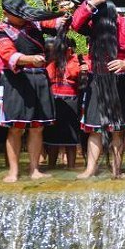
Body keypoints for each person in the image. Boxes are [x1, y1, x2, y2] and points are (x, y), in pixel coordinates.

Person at [71, 0, 125, 179]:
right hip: (98, 79)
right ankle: (90, 169)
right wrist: (91, 3)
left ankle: (116, 171)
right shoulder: (94, 24)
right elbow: (75, 24)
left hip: (122, 82)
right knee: (95, 129)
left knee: (118, 131)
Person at [0, 0, 64, 182]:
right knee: (15, 128)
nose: (22, 17)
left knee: (37, 128)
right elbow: (9, 54)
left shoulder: (34, 24)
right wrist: (29, 59)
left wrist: (63, 15)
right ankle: (13, 171)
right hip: (16, 80)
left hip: (38, 78)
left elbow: (55, 23)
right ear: (5, 13)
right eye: (17, 14)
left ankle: (34, 169)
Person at [43, 36, 83, 169]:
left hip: (71, 103)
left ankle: (71, 167)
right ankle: (51, 167)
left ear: (69, 50)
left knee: (70, 139)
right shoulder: (51, 63)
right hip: (54, 102)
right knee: (52, 138)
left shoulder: (76, 61)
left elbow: (79, 77)